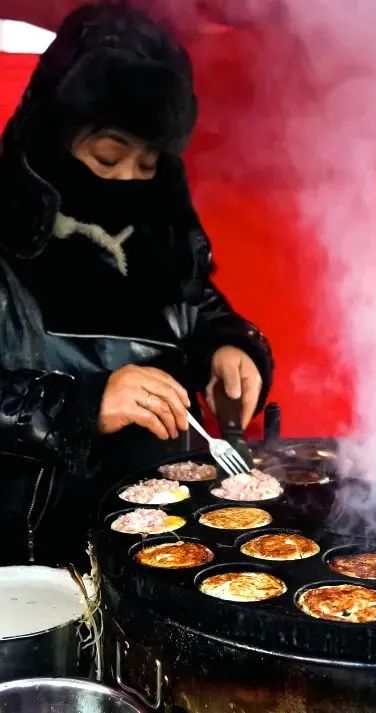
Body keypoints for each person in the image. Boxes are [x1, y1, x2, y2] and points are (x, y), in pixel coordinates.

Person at [0, 2, 273, 567]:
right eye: (107, 156)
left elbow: (200, 309)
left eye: (147, 164)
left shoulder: (160, 236)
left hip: (165, 544)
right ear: (55, 138)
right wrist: (80, 406)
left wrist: (228, 348)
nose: (129, 179)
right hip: (32, 553)